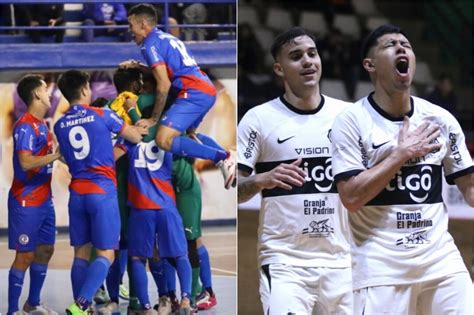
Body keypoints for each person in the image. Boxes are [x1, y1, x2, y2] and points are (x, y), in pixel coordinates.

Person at [331, 24, 474, 314]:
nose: (401, 47)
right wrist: (401, 154)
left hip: (440, 261)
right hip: (380, 269)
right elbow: (351, 198)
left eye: (406, 44)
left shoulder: (440, 119)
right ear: (369, 65)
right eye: (390, 44)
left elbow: (470, 188)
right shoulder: (351, 121)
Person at [237, 27, 353, 314]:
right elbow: (234, 189)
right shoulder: (259, 119)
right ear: (279, 68)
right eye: (296, 56)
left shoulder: (349, 116)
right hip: (285, 262)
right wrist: (262, 179)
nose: (308, 61)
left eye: (312, 54)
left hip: (344, 262)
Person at [53, 70, 145, 315]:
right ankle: (83, 303)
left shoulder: (60, 125)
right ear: (85, 90)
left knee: (80, 254)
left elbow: (63, 155)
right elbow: (135, 135)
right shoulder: (103, 115)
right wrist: (132, 120)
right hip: (101, 192)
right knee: (106, 253)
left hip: (77, 194)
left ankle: (83, 307)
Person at [121, 3, 236, 189]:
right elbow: (169, 70)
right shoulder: (164, 37)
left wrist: (153, 119)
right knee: (190, 135)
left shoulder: (149, 44)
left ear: (142, 24)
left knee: (164, 139)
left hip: (193, 92)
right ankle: (226, 155)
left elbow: (164, 83)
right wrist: (138, 66)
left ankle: (223, 157)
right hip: (205, 88)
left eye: (130, 25)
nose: (129, 30)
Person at [114, 106, 193, 314]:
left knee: (138, 259)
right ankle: (185, 299)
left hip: (141, 209)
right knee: (180, 255)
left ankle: (147, 308)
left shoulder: (131, 136)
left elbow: (111, 158)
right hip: (167, 206)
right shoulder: (166, 134)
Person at [7, 74, 62, 315]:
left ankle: (33, 304)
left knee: (45, 251)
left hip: (44, 200)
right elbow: (26, 162)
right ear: (37, 94)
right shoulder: (25, 125)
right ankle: (11, 310)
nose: (49, 92)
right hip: (26, 201)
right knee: (25, 255)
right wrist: (56, 156)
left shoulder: (42, 125)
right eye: (45, 89)